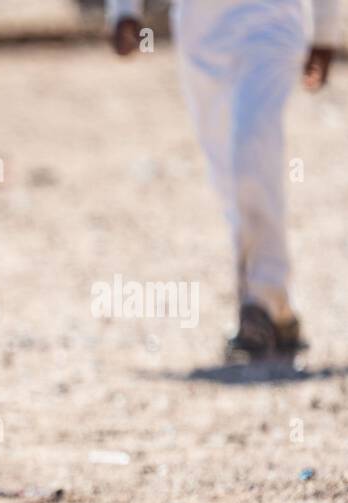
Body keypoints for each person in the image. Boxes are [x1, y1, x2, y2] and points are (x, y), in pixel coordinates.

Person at [109, 0, 339, 359]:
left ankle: (261, 299)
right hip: (202, 38)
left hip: (272, 24)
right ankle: (273, 309)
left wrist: (325, 32)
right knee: (227, 171)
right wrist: (125, 12)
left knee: (253, 149)